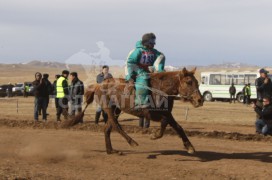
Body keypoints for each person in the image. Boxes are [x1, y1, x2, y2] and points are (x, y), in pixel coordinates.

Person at [125, 32, 165, 109]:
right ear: (146, 42)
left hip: (149, 71)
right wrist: (129, 76)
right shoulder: (137, 51)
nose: (154, 44)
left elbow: (160, 56)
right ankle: (140, 102)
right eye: (152, 42)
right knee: (143, 79)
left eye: (154, 42)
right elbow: (130, 63)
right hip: (137, 71)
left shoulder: (153, 51)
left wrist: (158, 69)